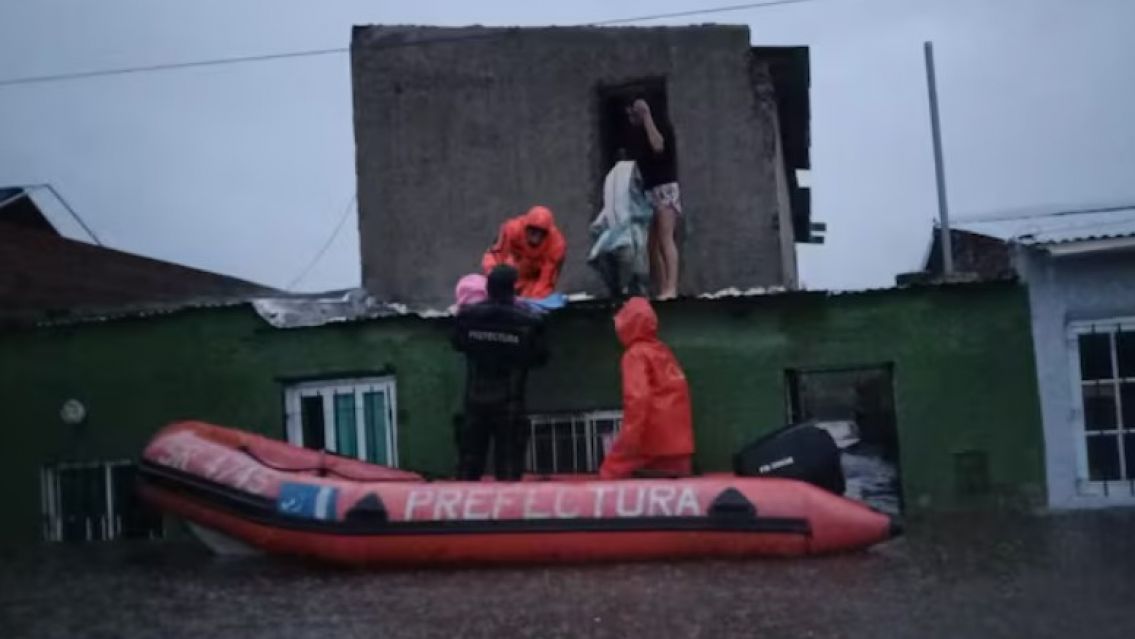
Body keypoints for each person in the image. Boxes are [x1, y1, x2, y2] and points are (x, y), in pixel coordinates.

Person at [452, 265, 549, 480]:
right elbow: (540, 358)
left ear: (489, 287)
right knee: (509, 468)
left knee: (468, 467)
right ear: (513, 288)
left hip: (475, 401)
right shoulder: (529, 320)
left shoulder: (468, 317)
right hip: (510, 404)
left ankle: (460, 512)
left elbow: (457, 343)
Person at [599, 297, 694, 479]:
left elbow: (637, 400)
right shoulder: (663, 351)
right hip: (679, 450)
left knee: (607, 477)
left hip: (650, 447)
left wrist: (625, 447)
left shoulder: (635, 355)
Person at [626, 97, 681, 300]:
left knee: (666, 237)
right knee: (651, 244)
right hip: (648, 191)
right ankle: (662, 287)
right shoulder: (636, 135)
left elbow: (658, 146)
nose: (632, 118)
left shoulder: (660, 126)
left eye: (634, 113)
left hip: (665, 187)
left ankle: (672, 287)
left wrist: (647, 116)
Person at [481, 205, 566, 299]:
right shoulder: (511, 230)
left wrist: (531, 302)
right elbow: (495, 255)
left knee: (532, 300)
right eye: (532, 230)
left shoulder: (556, 245)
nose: (535, 237)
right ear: (526, 227)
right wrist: (495, 279)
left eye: (540, 232)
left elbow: (546, 279)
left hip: (532, 281)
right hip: (511, 273)